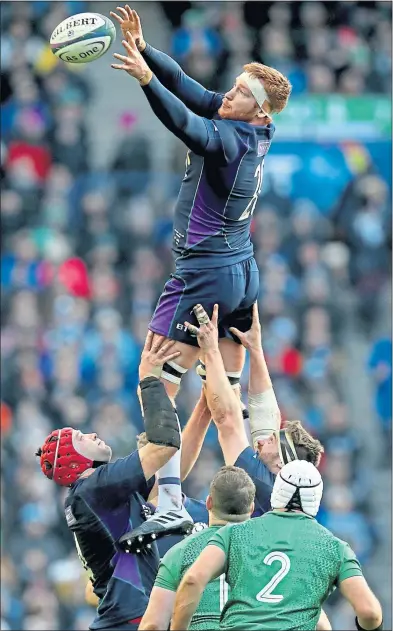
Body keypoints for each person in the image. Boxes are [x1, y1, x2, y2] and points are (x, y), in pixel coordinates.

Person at [109, 5, 292, 539]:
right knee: (221, 390)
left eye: (239, 93)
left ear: (257, 112)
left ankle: (167, 500)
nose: (227, 96)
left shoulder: (231, 140)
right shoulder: (258, 128)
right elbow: (194, 90)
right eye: (234, 87)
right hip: (241, 271)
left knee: (154, 378)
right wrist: (147, 52)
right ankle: (235, 504)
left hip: (203, 274)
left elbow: (185, 120)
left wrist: (145, 81)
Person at [35, 334, 184, 631]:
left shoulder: (98, 494)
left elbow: (171, 470)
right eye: (81, 437)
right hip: (129, 620)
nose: (91, 435)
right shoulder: (93, 489)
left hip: (130, 618)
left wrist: (203, 409)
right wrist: (148, 380)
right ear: (73, 460)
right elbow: (166, 444)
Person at [171, 460, 384, 631]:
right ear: (317, 498)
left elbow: (192, 580)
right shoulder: (336, 548)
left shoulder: (234, 532)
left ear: (277, 491)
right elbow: (370, 613)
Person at [186, 302, 324, 513]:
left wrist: (211, 351)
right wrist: (255, 349)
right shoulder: (282, 483)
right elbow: (263, 408)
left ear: (280, 466)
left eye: (272, 441)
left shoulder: (262, 484)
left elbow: (227, 423)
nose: (263, 439)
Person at [139, 465, 256, 631]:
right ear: (251, 508)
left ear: (208, 503)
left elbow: (153, 625)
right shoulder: (270, 550)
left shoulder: (180, 552)